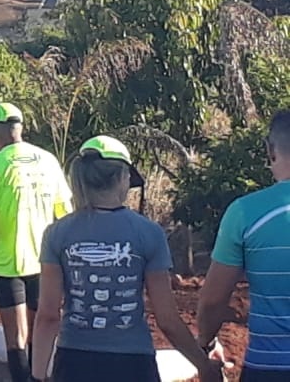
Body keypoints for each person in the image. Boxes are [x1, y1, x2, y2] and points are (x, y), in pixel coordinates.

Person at [32, 136, 222, 382]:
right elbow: (167, 320)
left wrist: (36, 377)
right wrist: (203, 364)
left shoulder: (56, 233)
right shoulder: (148, 233)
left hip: (74, 362)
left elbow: (48, 315)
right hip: (133, 364)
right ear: (123, 177)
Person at [0, 103, 73, 382]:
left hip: (7, 263)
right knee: (41, 330)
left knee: (16, 337)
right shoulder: (48, 160)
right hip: (46, 262)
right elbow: (65, 213)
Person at [198, 109, 290, 381]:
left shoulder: (245, 213)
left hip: (270, 370)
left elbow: (213, 300)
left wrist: (206, 345)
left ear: (270, 150)